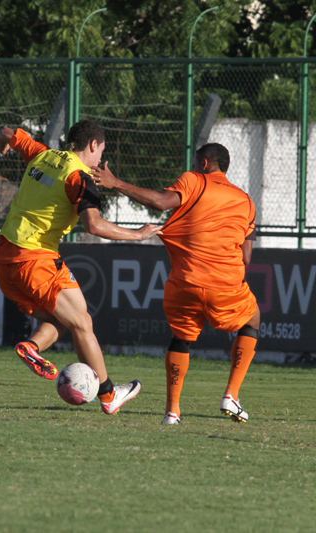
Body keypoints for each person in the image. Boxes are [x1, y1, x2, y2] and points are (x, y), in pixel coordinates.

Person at [0, 120, 162, 414]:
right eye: (101, 151)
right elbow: (93, 225)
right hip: (36, 260)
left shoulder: (42, 154)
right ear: (93, 145)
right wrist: (139, 234)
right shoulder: (79, 178)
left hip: (5, 261)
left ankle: (32, 348)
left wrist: (2, 146)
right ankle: (108, 395)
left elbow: (6, 131)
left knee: (65, 321)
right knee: (82, 323)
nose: (100, 160)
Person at [91, 143, 260, 425]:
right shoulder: (247, 201)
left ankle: (172, 412)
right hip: (225, 284)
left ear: (204, 164)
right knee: (253, 319)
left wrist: (115, 182)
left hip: (185, 282)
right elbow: (246, 256)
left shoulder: (195, 180)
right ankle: (231, 395)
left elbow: (160, 201)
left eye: (196, 163)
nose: (194, 167)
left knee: (180, 338)